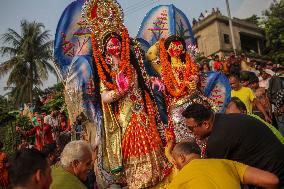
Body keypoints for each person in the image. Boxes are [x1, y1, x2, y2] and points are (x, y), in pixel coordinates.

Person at [82, 2, 170, 187]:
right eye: (111, 45)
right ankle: (137, 180)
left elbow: (144, 81)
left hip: (142, 109)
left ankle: (157, 174)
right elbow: (104, 97)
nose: (115, 47)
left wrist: (153, 81)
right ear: (104, 49)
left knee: (151, 138)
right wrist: (118, 92)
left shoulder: (131, 65)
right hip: (124, 115)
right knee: (131, 142)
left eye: (117, 44)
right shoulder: (106, 73)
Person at [182, 103, 284, 186]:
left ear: (205, 124)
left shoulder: (217, 139)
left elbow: (216, 175)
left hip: (274, 177)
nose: (190, 132)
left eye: (191, 128)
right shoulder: (227, 119)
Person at [167, 141, 279, 189]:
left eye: (175, 162)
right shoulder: (226, 163)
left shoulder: (179, 180)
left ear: (181, 158)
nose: (176, 167)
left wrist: (167, 152)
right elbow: (272, 180)